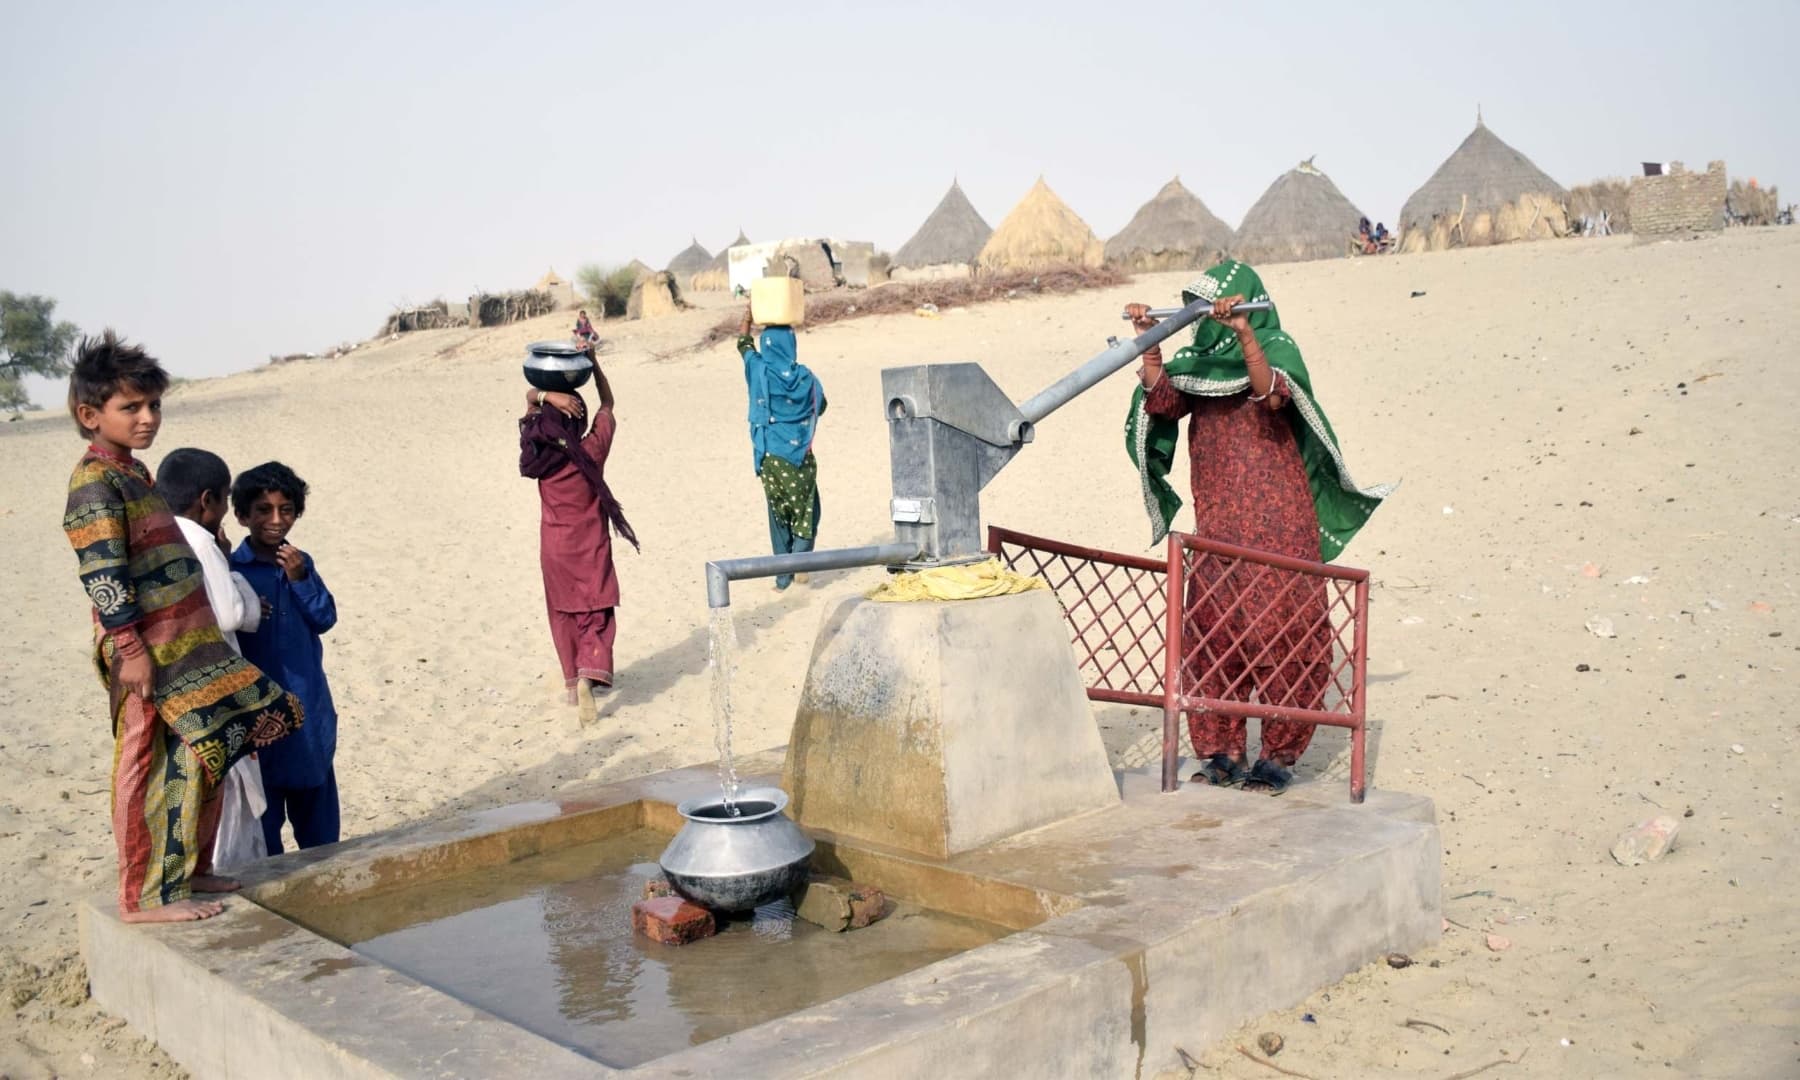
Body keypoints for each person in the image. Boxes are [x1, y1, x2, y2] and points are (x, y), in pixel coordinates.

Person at [1124, 262, 1390, 795]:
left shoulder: (1277, 348)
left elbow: (1270, 393)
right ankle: (1221, 753)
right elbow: (1165, 402)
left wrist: (1246, 333)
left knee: (1281, 635)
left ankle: (1277, 757)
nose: (1210, 319)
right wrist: (1148, 344)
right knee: (1212, 634)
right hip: (1219, 528)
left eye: (1216, 305)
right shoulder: (1198, 365)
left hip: (1278, 527)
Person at [61, 332, 300, 922]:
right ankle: (143, 898)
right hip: (148, 652)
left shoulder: (134, 472)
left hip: (189, 649)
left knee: (205, 754)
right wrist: (127, 647)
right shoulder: (96, 482)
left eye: (154, 406)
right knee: (148, 768)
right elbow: (103, 572)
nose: (147, 419)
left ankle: (191, 872)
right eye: (131, 408)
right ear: (90, 415)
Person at [154, 448, 271, 872]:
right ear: (208, 500)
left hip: (176, 684)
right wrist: (237, 578)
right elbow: (230, 614)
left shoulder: (159, 534)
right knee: (229, 800)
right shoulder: (199, 540)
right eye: (223, 500)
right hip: (212, 683)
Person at [523, 351, 639, 723]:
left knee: (563, 611)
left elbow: (531, 414)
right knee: (596, 608)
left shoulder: (539, 454)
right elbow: (608, 402)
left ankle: (574, 684)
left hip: (554, 548)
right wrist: (594, 361)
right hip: (590, 546)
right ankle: (591, 671)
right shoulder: (592, 449)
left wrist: (545, 397)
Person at [230, 462, 340, 853]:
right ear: (242, 515)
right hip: (257, 720)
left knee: (322, 839)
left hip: (308, 711)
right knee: (264, 836)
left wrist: (300, 580)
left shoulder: (300, 562)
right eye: (263, 510)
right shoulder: (231, 571)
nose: (276, 520)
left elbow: (325, 617)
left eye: (287, 510)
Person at [737, 306, 826, 590]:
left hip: (770, 458)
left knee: (778, 515)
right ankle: (800, 561)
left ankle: (782, 576)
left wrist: (748, 318)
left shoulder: (759, 370)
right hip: (800, 456)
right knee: (806, 510)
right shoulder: (807, 378)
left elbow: (743, 344)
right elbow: (821, 405)